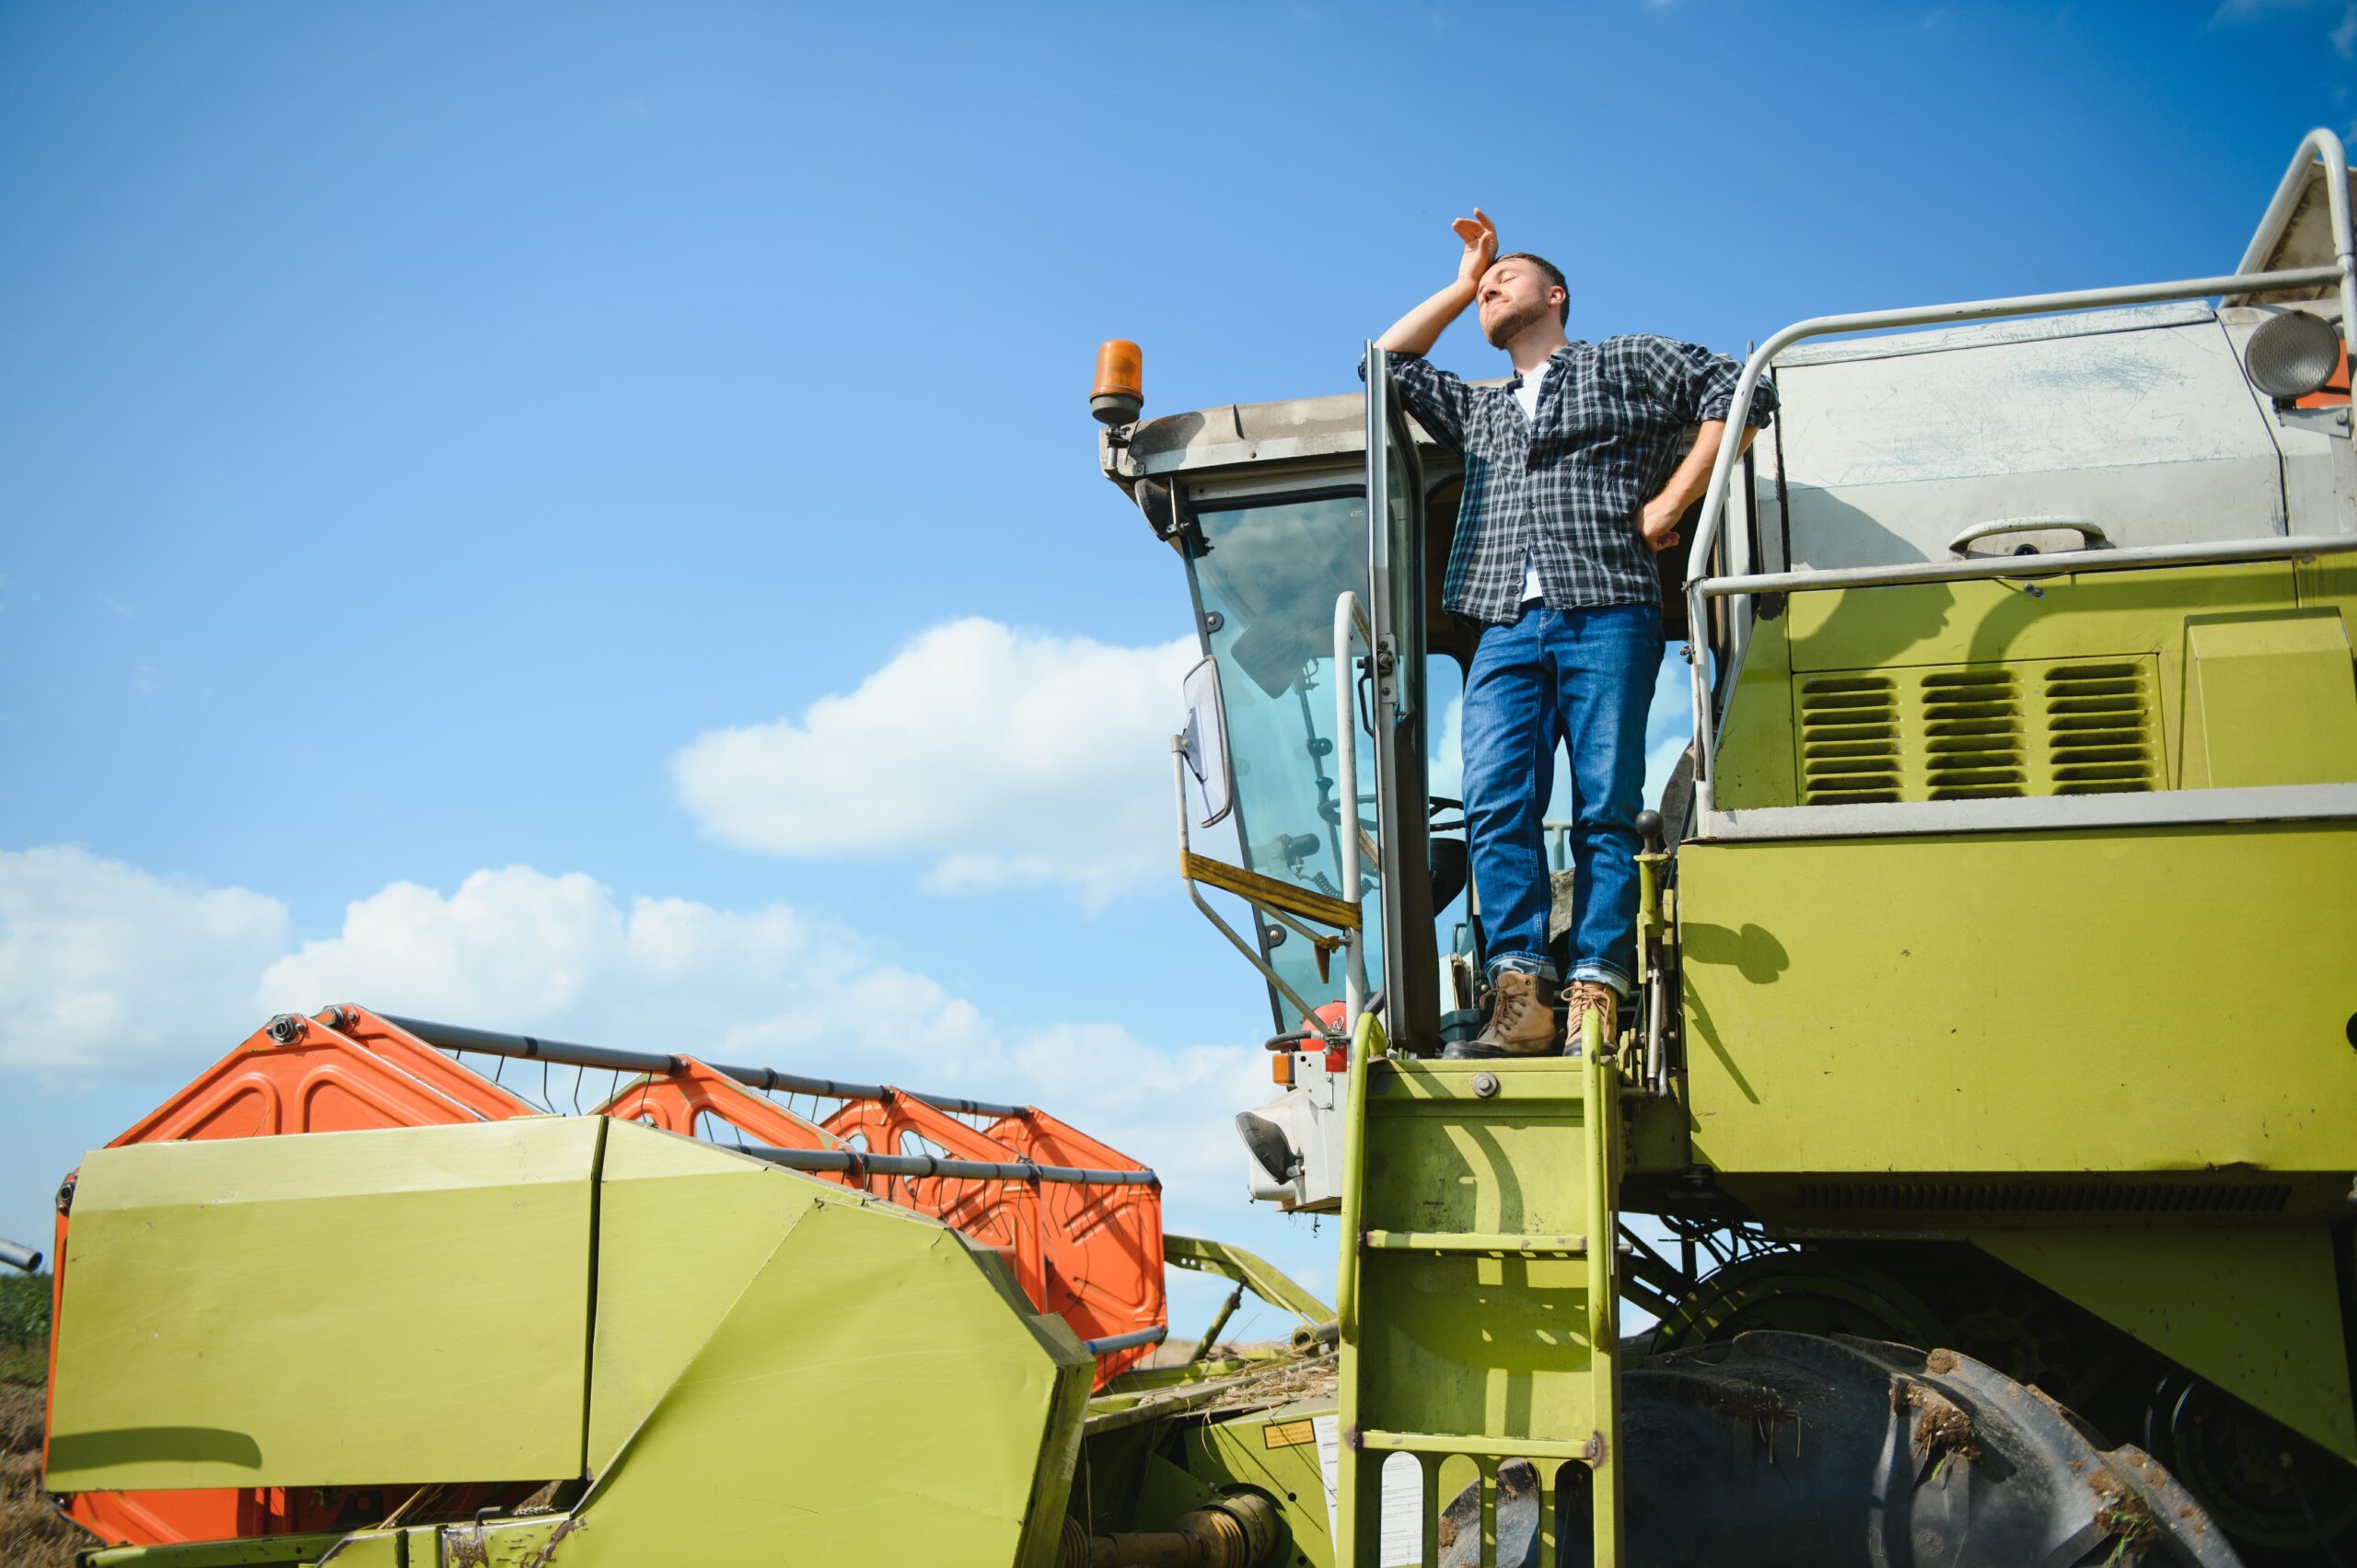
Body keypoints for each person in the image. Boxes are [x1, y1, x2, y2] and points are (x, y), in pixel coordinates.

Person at [1367, 209, 1775, 1059]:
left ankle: (1597, 985)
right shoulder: (1479, 413)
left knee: (1603, 808)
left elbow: (1741, 391)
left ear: (1556, 296)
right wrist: (1458, 279)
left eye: (1506, 276)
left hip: (1607, 611)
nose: (1491, 287)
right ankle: (1521, 992)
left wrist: (1674, 500)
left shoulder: (1620, 362)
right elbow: (1385, 365)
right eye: (1484, 287)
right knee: (1495, 803)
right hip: (1506, 630)